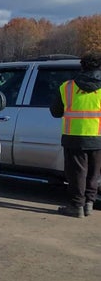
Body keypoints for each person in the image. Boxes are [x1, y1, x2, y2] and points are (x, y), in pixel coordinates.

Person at [49, 52, 101, 217]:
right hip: (98, 137)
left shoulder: (67, 86)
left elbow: (56, 112)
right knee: (94, 172)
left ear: (82, 67)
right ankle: (89, 204)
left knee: (77, 173)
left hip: (74, 137)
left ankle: (76, 206)